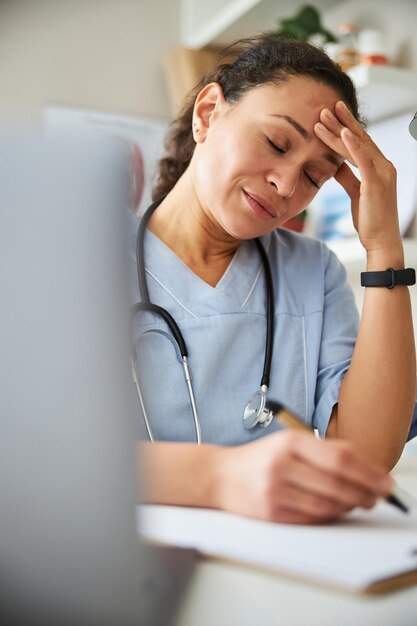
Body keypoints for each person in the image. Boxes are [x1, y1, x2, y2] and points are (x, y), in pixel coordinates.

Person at [133, 35, 417, 525]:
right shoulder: (78, 258)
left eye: (313, 177)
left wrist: (384, 247)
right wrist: (222, 476)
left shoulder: (314, 271)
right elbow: (38, 451)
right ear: (207, 113)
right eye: (275, 143)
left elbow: (366, 457)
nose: (286, 185)